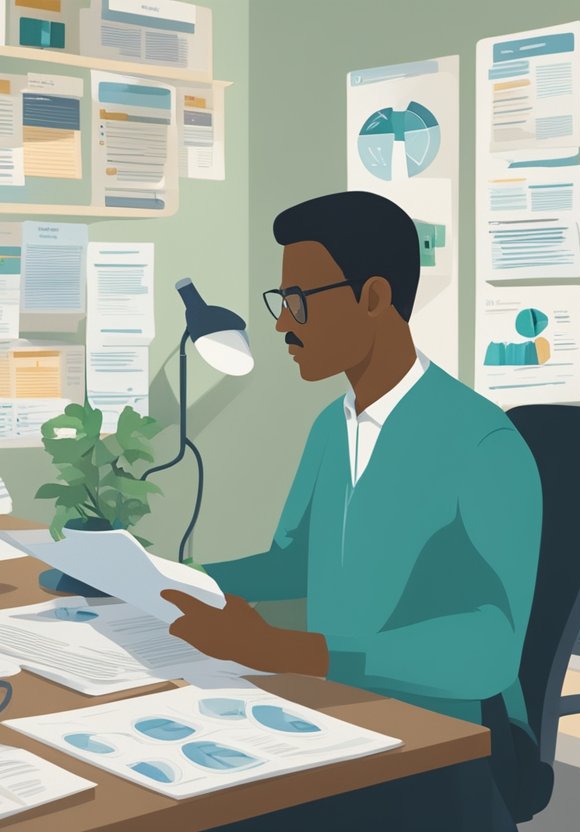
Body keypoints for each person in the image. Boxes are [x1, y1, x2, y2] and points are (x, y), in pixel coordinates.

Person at [162, 191, 543, 830]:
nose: (283, 325)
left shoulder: (484, 444)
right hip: (337, 715)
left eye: (299, 302)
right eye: (282, 303)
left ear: (372, 297)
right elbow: (292, 565)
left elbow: (490, 650)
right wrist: (168, 578)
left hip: (445, 744)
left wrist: (298, 652)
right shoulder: (329, 427)